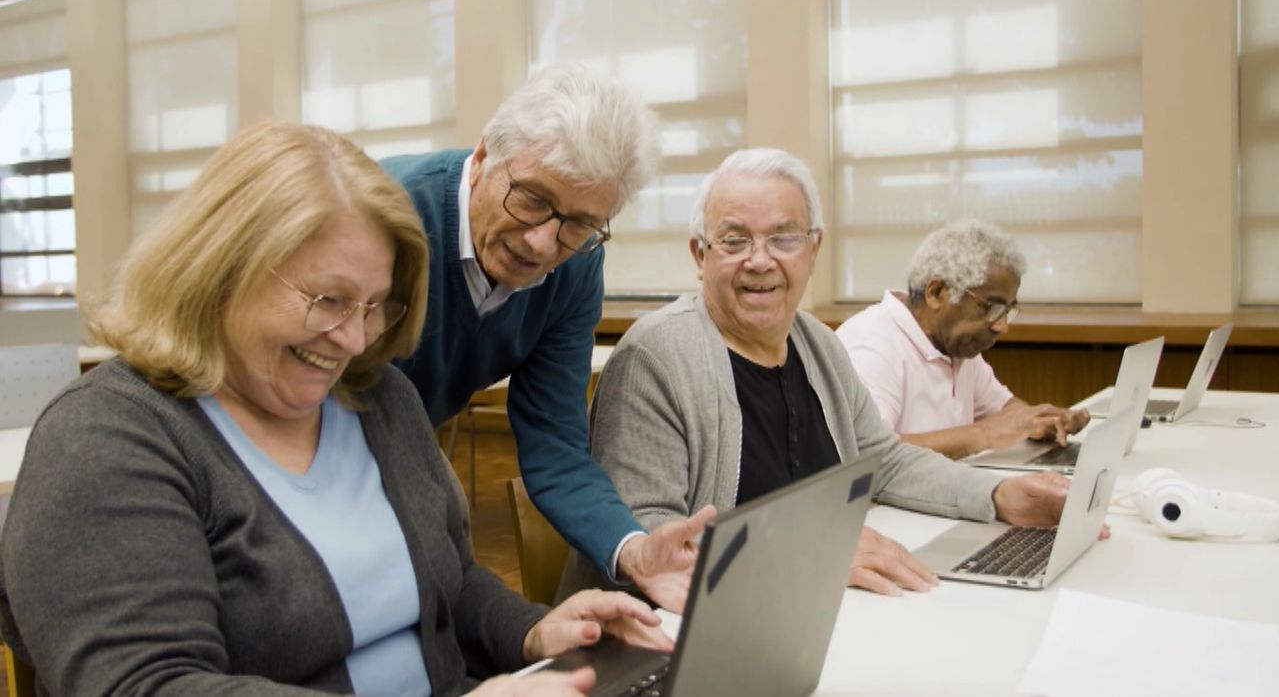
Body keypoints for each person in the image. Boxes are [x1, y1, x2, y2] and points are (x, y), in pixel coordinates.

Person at [0, 122, 670, 697]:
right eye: (329, 299)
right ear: (221, 268)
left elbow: (451, 583)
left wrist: (531, 631)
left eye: (376, 305)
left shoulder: (376, 398)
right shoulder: (108, 439)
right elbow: (150, 684)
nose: (355, 339)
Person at [556, 148, 1080, 602]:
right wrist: (808, 555)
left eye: (784, 238)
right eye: (734, 241)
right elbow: (650, 540)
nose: (760, 261)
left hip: (806, 611)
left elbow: (885, 461)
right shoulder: (655, 358)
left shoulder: (818, 345)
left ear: (813, 249)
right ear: (700, 255)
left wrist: (995, 496)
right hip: (675, 640)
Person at [380, 63, 712, 608]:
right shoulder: (387, 217)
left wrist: (632, 550)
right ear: (484, 156)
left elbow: (554, 441)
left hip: (403, 438)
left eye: (578, 223)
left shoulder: (577, 266)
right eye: (532, 198)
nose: (541, 243)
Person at [835, 220, 1089, 460]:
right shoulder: (872, 345)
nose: (1002, 326)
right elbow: (870, 455)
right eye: (991, 308)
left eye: (1007, 311)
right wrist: (983, 435)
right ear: (936, 293)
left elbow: (1006, 411)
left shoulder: (955, 345)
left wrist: (1042, 421)